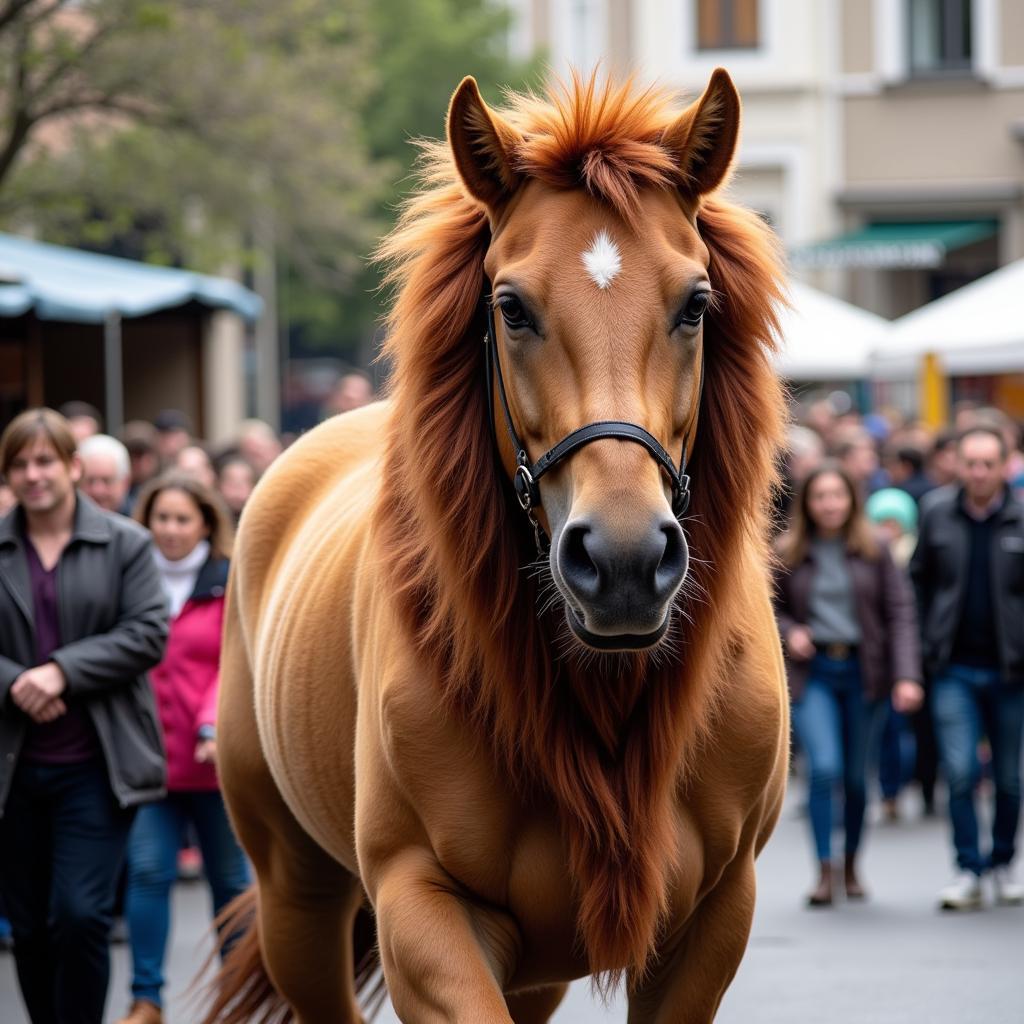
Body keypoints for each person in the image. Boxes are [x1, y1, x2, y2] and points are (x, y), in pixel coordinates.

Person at [0, 408, 168, 1024]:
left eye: (45, 461)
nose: (33, 475)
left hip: (95, 767)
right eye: (19, 465)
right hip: (13, 771)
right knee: (29, 925)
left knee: (79, 915)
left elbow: (149, 631)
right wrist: (15, 680)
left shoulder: (125, 542)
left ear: (72, 467)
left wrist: (63, 671)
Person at [116, 475, 249, 1024]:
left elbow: (234, 661)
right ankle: (146, 1000)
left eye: (181, 519)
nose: (169, 530)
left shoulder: (228, 579)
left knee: (231, 884)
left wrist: (212, 722)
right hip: (150, 764)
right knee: (148, 874)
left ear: (204, 524)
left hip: (215, 763)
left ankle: (239, 996)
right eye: (160, 519)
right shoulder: (128, 577)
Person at [775, 461, 923, 906]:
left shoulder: (875, 549)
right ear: (807, 503)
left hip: (865, 674)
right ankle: (824, 869)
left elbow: (900, 615)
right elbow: (766, 608)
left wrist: (906, 676)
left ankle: (852, 863)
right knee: (824, 769)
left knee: (858, 779)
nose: (829, 504)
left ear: (852, 500)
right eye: (820, 496)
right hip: (814, 671)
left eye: (837, 495)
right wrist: (790, 631)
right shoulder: (788, 551)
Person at [910, 426, 1024, 910]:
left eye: (987, 464)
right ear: (957, 465)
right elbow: (916, 584)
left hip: (1011, 672)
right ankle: (967, 867)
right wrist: (922, 647)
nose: (978, 473)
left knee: (1008, 777)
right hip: (952, 668)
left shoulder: (1020, 518)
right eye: (970, 463)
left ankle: (1001, 861)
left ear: (1005, 466)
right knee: (958, 771)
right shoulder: (937, 513)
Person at [79, 433, 132, 515]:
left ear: (125, 482)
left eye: (107, 481)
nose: (98, 491)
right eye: (90, 481)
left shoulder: (141, 522)